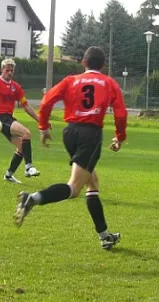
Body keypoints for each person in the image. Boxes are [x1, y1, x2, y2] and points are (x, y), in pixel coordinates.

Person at [13, 46, 128, 250]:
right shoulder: (109, 83)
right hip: (90, 134)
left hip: (70, 132)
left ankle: (104, 236)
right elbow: (120, 114)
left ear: (83, 63)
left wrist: (43, 127)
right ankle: (32, 199)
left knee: (92, 182)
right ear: (103, 65)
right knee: (75, 188)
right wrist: (119, 137)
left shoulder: (71, 80)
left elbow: (47, 100)